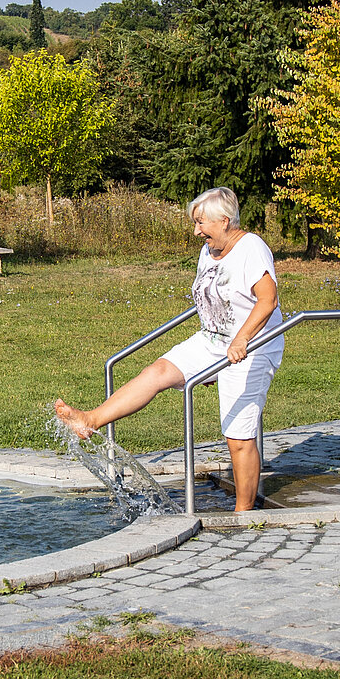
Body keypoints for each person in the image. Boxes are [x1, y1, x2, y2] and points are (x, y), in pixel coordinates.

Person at [54, 187, 283, 511]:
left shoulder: (251, 248)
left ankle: (244, 515)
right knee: (157, 371)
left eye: (201, 223)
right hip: (213, 339)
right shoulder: (210, 249)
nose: (196, 230)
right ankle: (89, 420)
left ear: (225, 220)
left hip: (253, 344)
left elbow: (267, 300)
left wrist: (241, 339)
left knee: (238, 434)